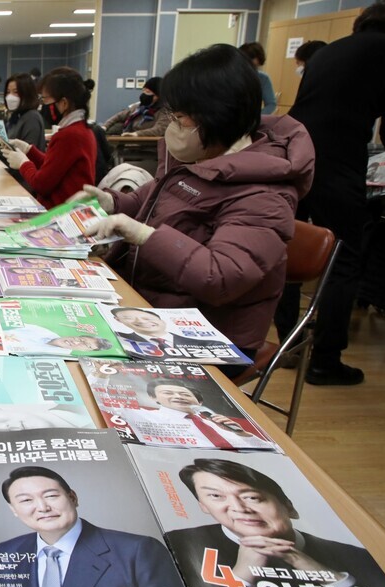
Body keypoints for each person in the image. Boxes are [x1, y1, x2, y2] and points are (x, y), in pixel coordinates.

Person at [78, 44, 314, 377]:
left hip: (211, 335)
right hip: (152, 307)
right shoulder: (197, 161)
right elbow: (148, 204)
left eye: (180, 117)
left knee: (84, 368)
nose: (172, 126)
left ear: (215, 115)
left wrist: (144, 235)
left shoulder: (264, 193)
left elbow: (220, 277)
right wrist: (111, 202)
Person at [278, 0, 385, 385]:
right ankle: (325, 361)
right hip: (336, 164)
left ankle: (287, 345)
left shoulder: (328, 51)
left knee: (287, 247)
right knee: (343, 259)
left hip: (293, 156)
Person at [171, 458, 385, 587]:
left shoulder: (357, 556)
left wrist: (318, 571)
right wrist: (241, 575)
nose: (240, 508)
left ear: (289, 506)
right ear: (203, 506)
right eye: (215, 496)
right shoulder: (179, 543)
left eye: (252, 497)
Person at [0, 466, 195, 587]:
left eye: (51, 496)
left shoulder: (139, 550)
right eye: (25, 501)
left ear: (73, 497)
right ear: (13, 510)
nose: (42, 507)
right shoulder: (6, 552)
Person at [0, 67, 97, 208]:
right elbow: (55, 166)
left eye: (45, 99)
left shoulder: (68, 135)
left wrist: (23, 164)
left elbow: (41, 184)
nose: (43, 105)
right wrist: (29, 150)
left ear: (64, 103)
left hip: (60, 214)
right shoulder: (82, 130)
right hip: (70, 210)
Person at [119, 378, 274, 449]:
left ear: (199, 402)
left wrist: (243, 435)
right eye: (167, 393)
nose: (178, 397)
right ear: (154, 398)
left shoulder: (220, 422)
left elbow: (270, 449)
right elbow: (106, 405)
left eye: (185, 394)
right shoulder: (142, 414)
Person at [109, 306, 228, 358]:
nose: (140, 321)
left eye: (147, 318)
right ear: (119, 321)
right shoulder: (116, 339)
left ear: (161, 319)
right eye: (128, 318)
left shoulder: (210, 344)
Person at [101, 76, 171, 137]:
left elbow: (159, 130)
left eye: (148, 92)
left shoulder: (165, 111)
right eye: (143, 91)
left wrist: (137, 134)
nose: (144, 94)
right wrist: (105, 126)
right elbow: (119, 116)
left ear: (158, 96)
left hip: (147, 147)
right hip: (129, 143)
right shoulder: (138, 107)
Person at [4, 73, 46, 152]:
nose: (10, 96)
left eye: (15, 92)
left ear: (27, 93)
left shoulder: (32, 118)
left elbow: (28, 152)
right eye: (8, 92)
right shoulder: (16, 116)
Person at [239, 42, 277, 115]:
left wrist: (257, 118)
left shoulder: (263, 79)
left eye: (255, 67)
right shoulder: (230, 77)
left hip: (252, 121)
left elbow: (271, 104)